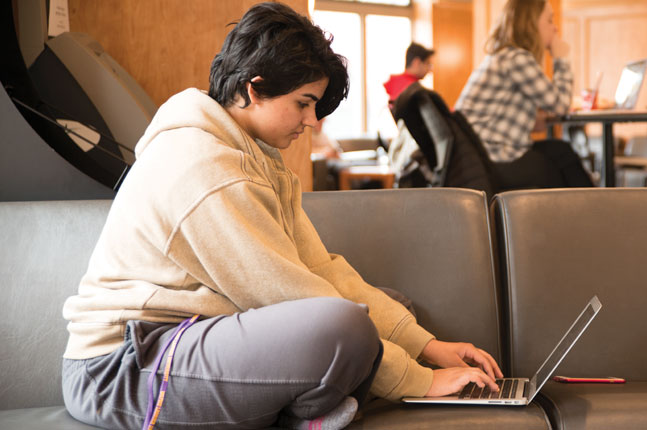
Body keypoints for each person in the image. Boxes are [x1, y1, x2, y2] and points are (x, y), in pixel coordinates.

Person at [60, 3, 501, 430]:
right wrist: (420, 380)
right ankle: (304, 409)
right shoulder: (204, 164)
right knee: (347, 328)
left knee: (385, 308)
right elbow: (287, 294)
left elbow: (321, 269)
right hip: (124, 368)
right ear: (254, 89)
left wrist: (429, 346)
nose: (311, 121)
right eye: (303, 103)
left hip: (190, 338)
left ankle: (302, 406)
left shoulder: (257, 158)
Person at [455, 0, 593, 189]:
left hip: (481, 156)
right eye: (550, 20)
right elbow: (560, 105)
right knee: (554, 169)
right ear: (531, 23)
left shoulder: (502, 56)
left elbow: (509, 114)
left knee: (561, 151)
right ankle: (593, 211)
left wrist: (533, 118)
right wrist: (561, 59)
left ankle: (592, 210)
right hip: (495, 158)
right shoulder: (517, 58)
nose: (555, 28)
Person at [383, 42, 435, 107]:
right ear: (417, 62)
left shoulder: (397, 83)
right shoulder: (412, 90)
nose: (430, 70)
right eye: (428, 64)